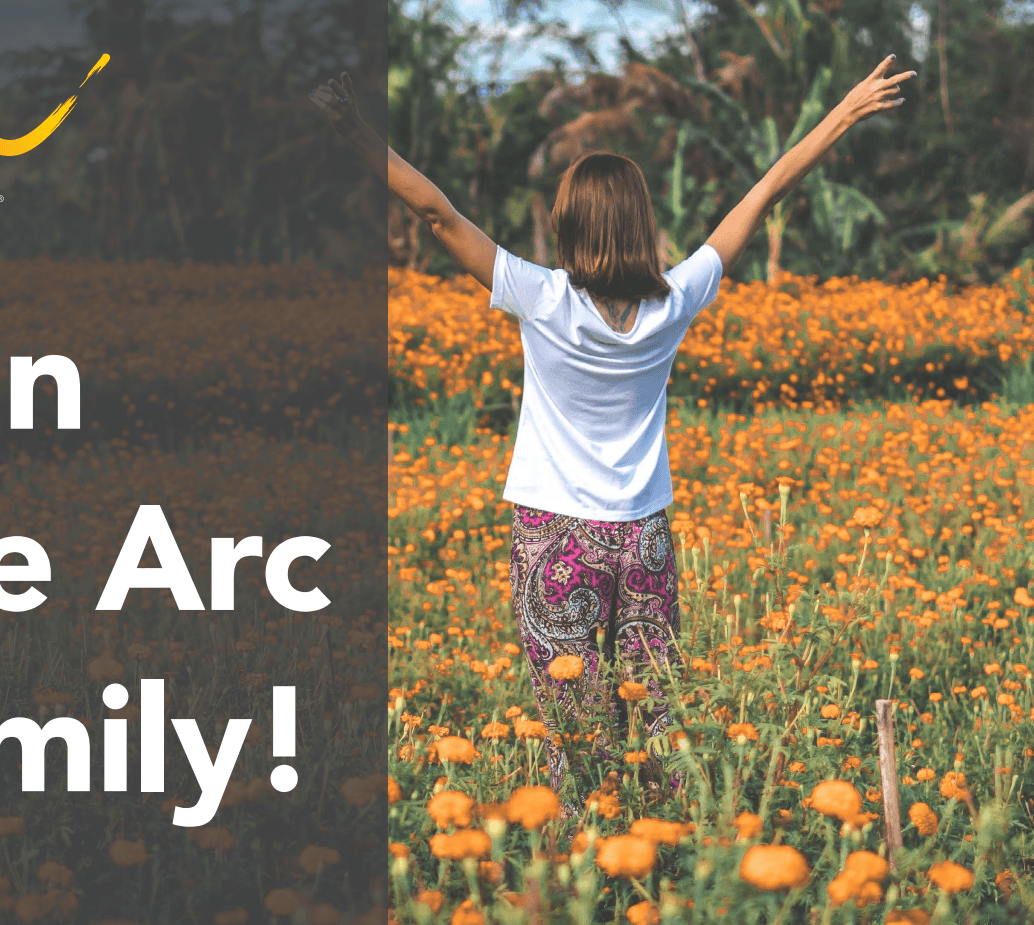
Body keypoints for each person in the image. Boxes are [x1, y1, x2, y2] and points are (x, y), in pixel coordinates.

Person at [310, 57, 915, 807]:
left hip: (555, 535)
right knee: (655, 716)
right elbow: (764, 192)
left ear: (568, 224)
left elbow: (435, 211)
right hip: (646, 536)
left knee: (575, 728)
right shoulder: (675, 301)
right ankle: (658, 854)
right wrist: (845, 110)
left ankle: (583, 859)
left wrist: (353, 129)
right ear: (640, 223)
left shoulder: (541, 299)